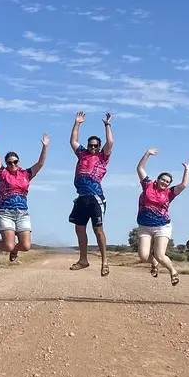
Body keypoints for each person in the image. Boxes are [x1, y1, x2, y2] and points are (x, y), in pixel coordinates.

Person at [0, 124, 48, 263]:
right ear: (6, 163)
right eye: (10, 163)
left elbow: (40, 163)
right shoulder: (2, 173)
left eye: (15, 162)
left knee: (26, 246)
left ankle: (15, 250)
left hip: (22, 213)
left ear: (18, 162)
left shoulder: (26, 174)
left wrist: (45, 147)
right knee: (8, 246)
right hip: (5, 212)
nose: (13, 164)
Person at [67, 110, 113, 276]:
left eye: (95, 145)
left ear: (99, 147)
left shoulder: (102, 157)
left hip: (95, 197)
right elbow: (73, 141)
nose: (93, 147)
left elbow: (110, 142)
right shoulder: (82, 154)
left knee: (97, 229)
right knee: (79, 229)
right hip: (81, 197)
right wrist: (77, 123)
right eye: (90, 145)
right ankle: (83, 260)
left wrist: (107, 125)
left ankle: (104, 262)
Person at [135, 149, 189, 286]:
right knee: (143, 256)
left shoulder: (170, 193)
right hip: (145, 226)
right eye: (163, 179)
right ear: (158, 179)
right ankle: (153, 262)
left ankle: (173, 271)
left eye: (167, 182)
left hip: (162, 226)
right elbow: (140, 168)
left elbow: (183, 185)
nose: (165, 182)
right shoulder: (148, 185)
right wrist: (147, 154)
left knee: (160, 255)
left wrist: (186, 169)